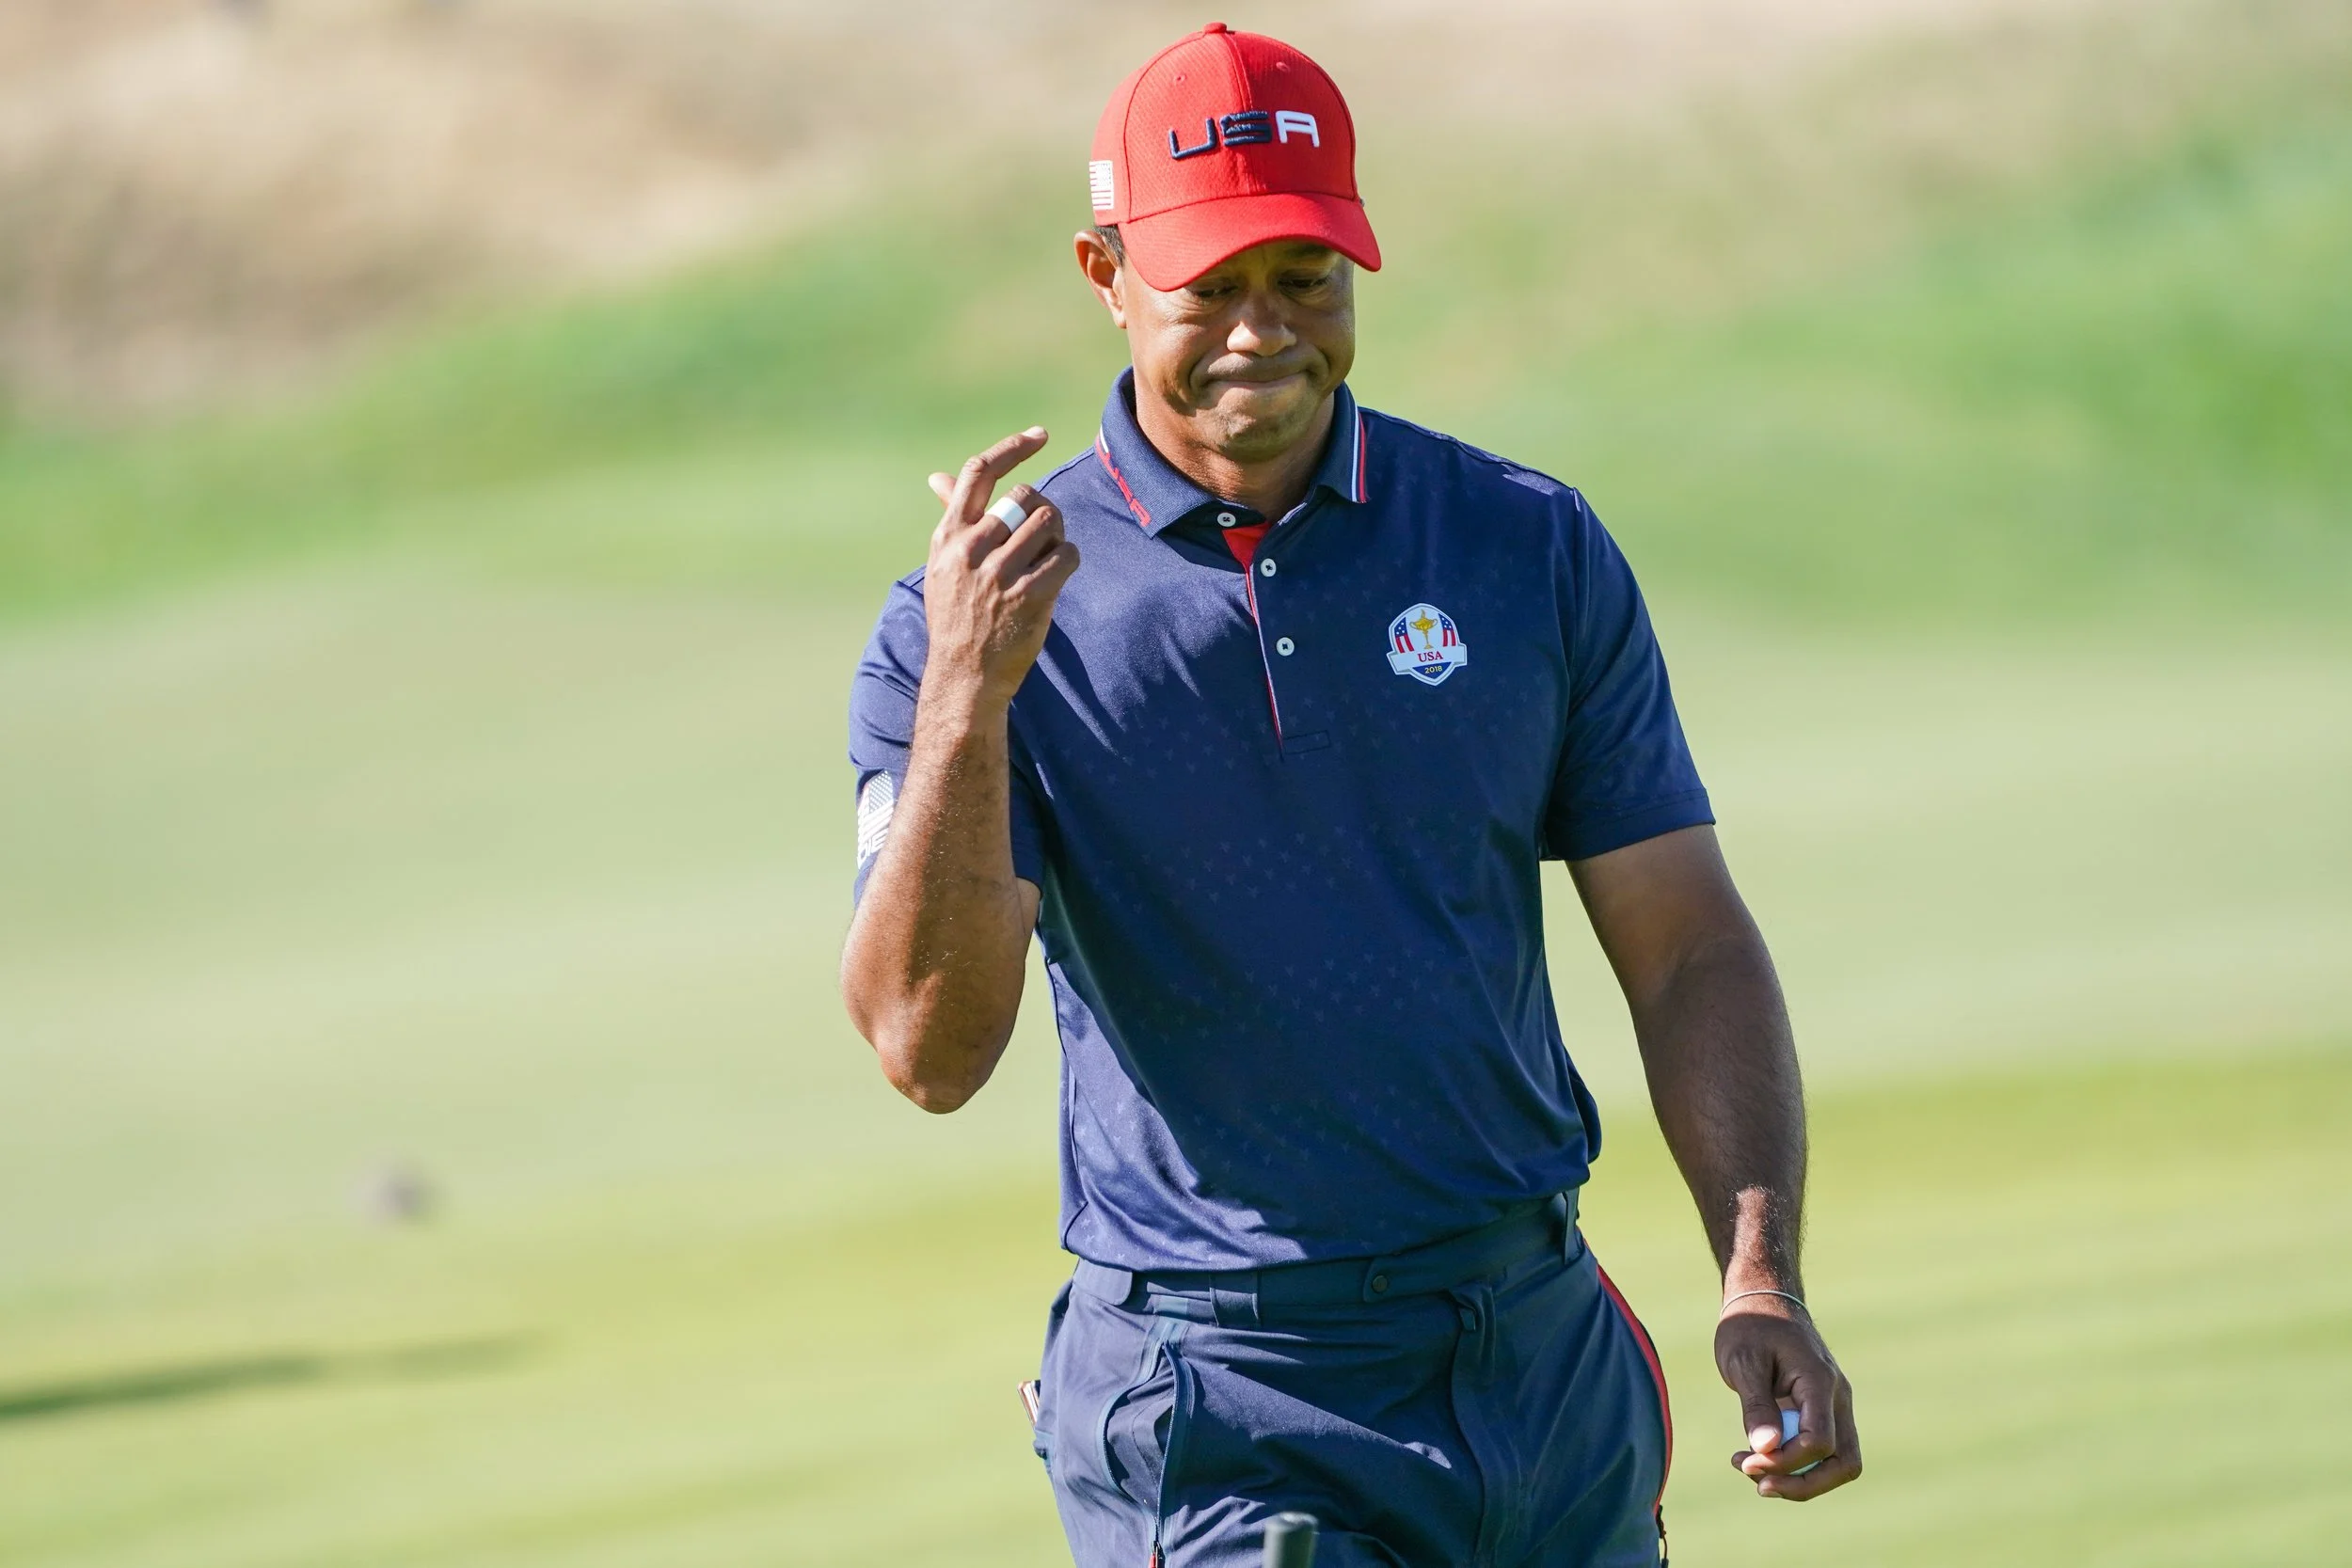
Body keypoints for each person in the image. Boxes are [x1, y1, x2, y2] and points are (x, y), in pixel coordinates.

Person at [841, 23, 1859, 1566]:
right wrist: (971, 699)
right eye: (1212, 284)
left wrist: (1758, 1269)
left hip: (1537, 1360)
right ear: (1105, 271)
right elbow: (928, 1047)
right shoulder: (964, 622)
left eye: (1305, 277)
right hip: (1228, 1398)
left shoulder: (1523, 544)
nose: (1264, 330)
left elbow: (1686, 940)